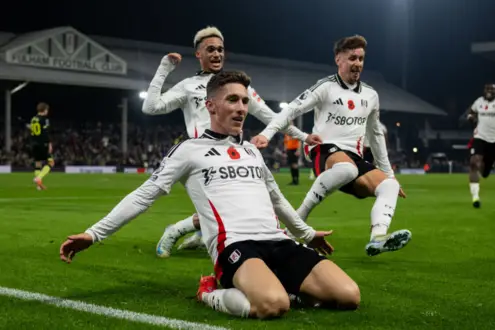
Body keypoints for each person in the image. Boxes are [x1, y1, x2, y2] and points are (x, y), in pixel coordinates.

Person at [59, 71, 360, 319]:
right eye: (232, 99)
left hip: (278, 241)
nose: (242, 108)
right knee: (273, 305)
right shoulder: (189, 151)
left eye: (245, 100)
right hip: (235, 246)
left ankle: (278, 284)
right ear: (211, 106)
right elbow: (143, 196)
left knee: (348, 296)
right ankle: (209, 292)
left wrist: (306, 235)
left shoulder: (252, 151)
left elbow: (277, 200)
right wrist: (93, 234)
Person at [141, 26, 319, 257]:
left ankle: (198, 233)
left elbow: (271, 117)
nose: (217, 54)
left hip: (235, 154)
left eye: (220, 50)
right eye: (211, 50)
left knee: (241, 207)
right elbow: (151, 107)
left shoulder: (238, 87)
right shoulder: (188, 85)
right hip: (202, 157)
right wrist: (164, 68)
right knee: (230, 209)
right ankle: (177, 231)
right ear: (199, 54)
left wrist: (304, 137)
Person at [252, 35, 411, 257]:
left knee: (389, 187)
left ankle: (378, 238)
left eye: (361, 59)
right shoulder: (325, 87)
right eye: (352, 58)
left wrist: (389, 175)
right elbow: (291, 110)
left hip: (353, 159)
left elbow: (375, 135)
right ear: (338, 59)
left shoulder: (371, 95)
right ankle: (296, 221)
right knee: (348, 169)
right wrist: (266, 134)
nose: (357, 63)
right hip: (323, 150)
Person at [30, 102, 54, 190]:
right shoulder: (45, 119)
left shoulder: (33, 119)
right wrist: (49, 144)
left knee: (38, 163)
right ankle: (38, 178)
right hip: (42, 143)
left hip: (33, 143)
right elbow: (46, 132)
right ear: (45, 110)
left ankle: (39, 186)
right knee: (51, 162)